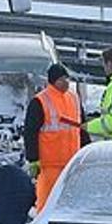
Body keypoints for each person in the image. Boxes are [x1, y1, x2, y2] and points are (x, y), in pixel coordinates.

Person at [29, 61, 85, 210]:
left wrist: (86, 150)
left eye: (67, 78)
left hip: (72, 162)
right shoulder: (40, 101)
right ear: (53, 81)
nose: (66, 82)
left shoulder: (74, 98)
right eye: (62, 79)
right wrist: (33, 158)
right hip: (49, 164)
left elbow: (81, 127)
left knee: (70, 203)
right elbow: (30, 132)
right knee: (46, 202)